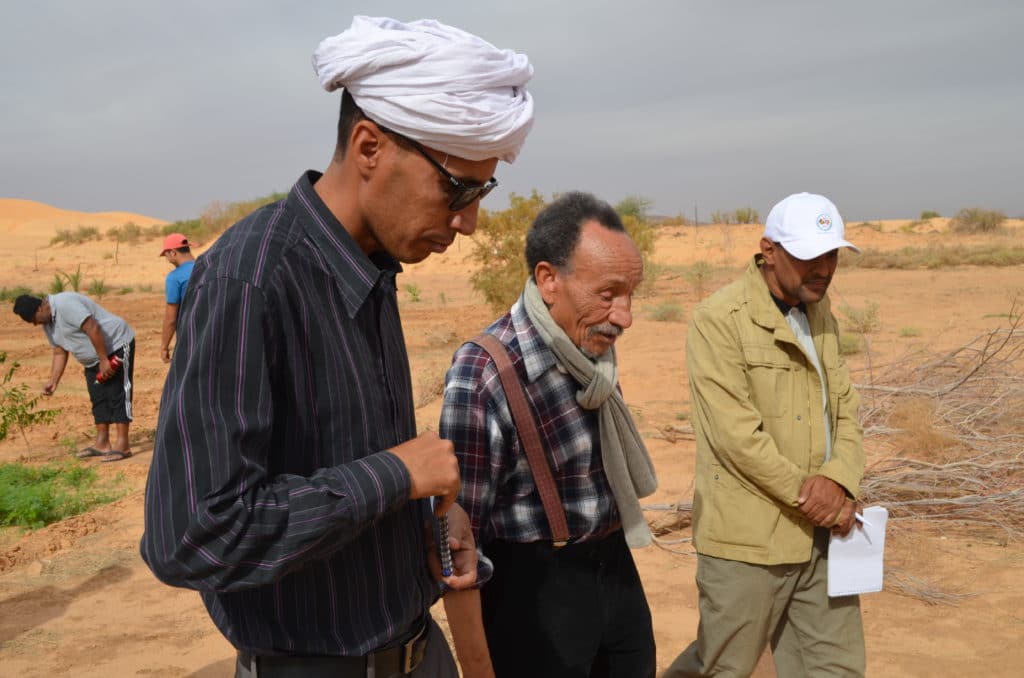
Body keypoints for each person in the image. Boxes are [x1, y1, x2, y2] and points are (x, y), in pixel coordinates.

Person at [139, 15, 535, 678]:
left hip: (415, 648)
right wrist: (396, 474)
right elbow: (193, 535)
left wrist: (431, 522)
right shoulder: (252, 279)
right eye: (457, 188)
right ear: (369, 146)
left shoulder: (373, 267)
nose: (467, 222)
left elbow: (341, 469)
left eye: (483, 191)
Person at [439, 192, 659, 678]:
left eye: (631, 294)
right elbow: (457, 543)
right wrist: (477, 668)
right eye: (608, 294)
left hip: (615, 572)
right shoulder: (484, 372)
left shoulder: (594, 353)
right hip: (533, 597)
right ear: (548, 280)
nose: (625, 315)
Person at [665, 192, 867, 677]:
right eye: (808, 255)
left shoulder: (820, 314)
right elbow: (737, 438)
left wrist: (839, 480)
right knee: (724, 666)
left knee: (836, 668)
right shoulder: (719, 320)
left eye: (832, 253)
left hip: (822, 535)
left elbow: (847, 410)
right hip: (748, 542)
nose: (823, 267)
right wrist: (814, 495)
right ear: (768, 250)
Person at [12, 292, 135, 462]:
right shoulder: (47, 323)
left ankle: (123, 445)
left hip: (116, 345)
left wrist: (103, 360)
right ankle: (102, 443)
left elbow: (92, 327)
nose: (35, 324)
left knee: (118, 393)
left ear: (40, 307)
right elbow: (59, 351)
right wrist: (53, 381)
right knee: (98, 397)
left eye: (35, 319)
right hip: (94, 359)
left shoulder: (65, 304)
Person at [158, 233, 196, 364]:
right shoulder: (208, 267)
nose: (167, 259)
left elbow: (171, 319)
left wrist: (164, 346)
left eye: (166, 255)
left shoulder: (175, 277)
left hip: (190, 336)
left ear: (173, 253)